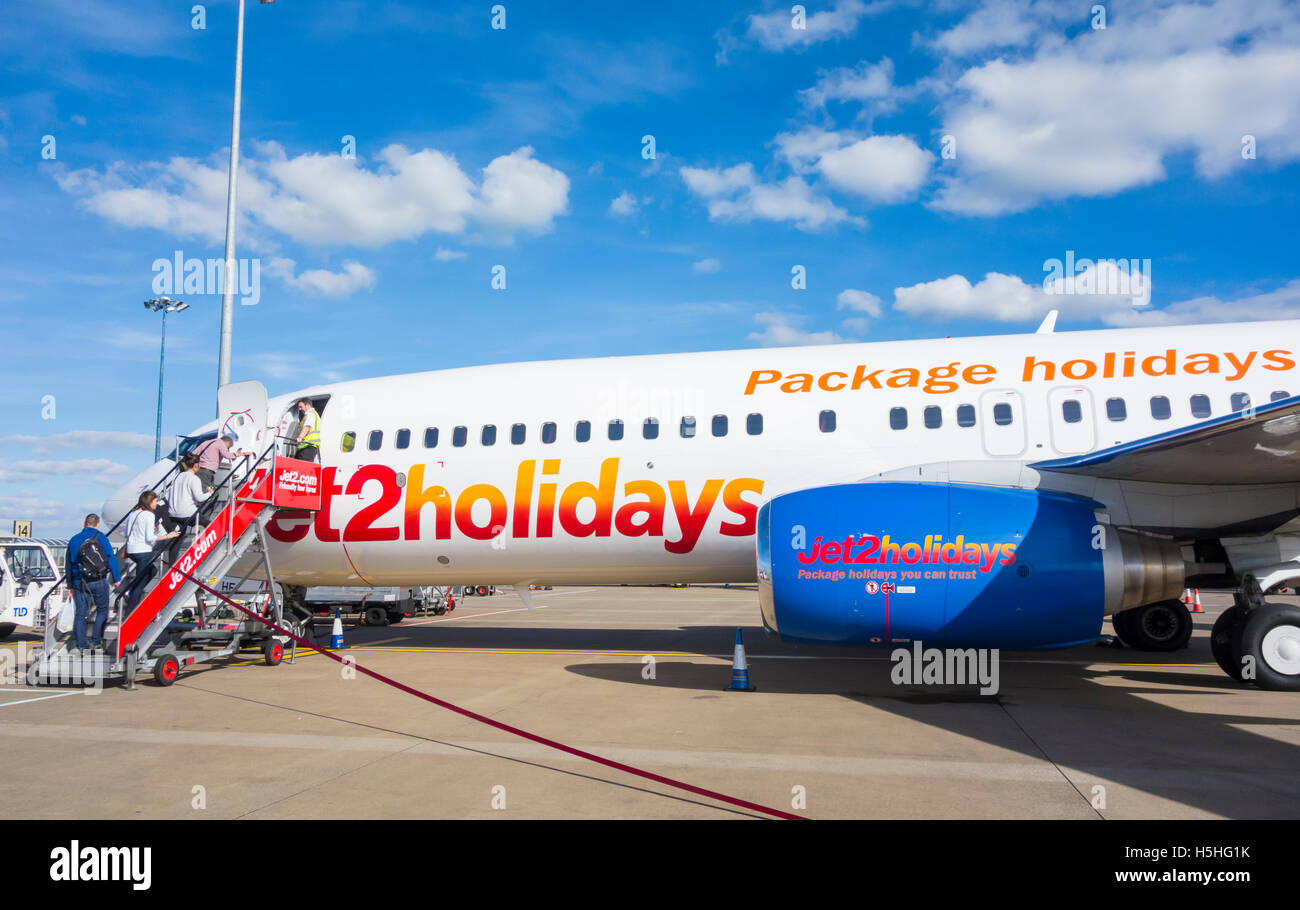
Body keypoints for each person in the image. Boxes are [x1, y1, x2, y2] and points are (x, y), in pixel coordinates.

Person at [65, 514, 121, 653]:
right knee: (102, 610)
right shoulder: (101, 537)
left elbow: (68, 565)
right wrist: (116, 578)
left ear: (84, 523)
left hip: (79, 582)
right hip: (98, 580)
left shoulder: (74, 540)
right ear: (97, 524)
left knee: (80, 614)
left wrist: (70, 585)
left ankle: (81, 645)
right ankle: (96, 641)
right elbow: (111, 558)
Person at [122, 491, 179, 614]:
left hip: (132, 550)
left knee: (152, 571)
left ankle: (131, 591)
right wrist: (167, 536)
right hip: (143, 551)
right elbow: (150, 538)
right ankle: (129, 613)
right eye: (155, 501)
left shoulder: (133, 514)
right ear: (149, 502)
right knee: (140, 583)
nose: (156, 504)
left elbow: (127, 533)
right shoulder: (149, 515)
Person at [161, 454, 210, 565]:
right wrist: (209, 494)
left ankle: (172, 565)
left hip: (173, 513)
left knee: (176, 540)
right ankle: (204, 547)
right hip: (188, 514)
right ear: (196, 465)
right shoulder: (194, 478)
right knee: (209, 524)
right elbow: (199, 498)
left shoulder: (177, 477)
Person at [293, 398, 321, 463]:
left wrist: (300, 437)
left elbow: (307, 426)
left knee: (301, 467)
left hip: (308, 446)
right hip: (306, 446)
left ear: (307, 405)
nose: (299, 409)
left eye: (301, 407)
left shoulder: (310, 414)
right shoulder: (313, 414)